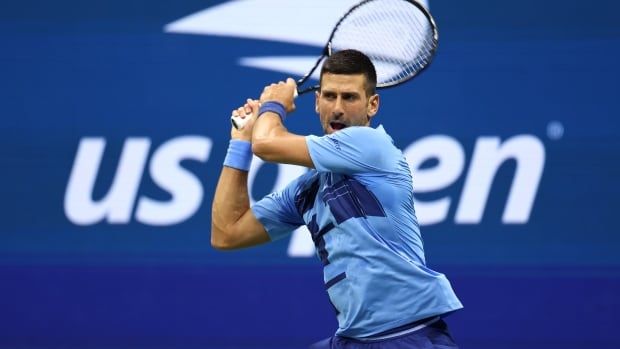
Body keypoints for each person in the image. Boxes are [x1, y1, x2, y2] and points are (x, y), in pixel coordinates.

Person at [211, 49, 463, 348]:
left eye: (350, 97)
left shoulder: (372, 145)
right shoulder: (307, 189)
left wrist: (274, 104)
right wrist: (239, 142)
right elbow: (227, 233)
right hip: (353, 338)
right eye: (329, 96)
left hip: (408, 335)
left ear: (372, 105)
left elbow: (266, 143)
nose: (338, 108)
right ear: (316, 101)